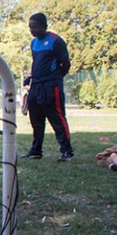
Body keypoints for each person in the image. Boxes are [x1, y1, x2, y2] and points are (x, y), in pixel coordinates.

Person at [22, 12, 74, 162]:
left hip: (51, 87)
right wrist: (31, 77)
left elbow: (65, 64)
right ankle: (36, 150)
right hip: (36, 86)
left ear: (44, 26)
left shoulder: (55, 41)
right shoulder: (33, 43)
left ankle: (66, 151)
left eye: (35, 27)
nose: (32, 30)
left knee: (57, 118)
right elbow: (36, 63)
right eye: (30, 27)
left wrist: (55, 79)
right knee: (36, 119)